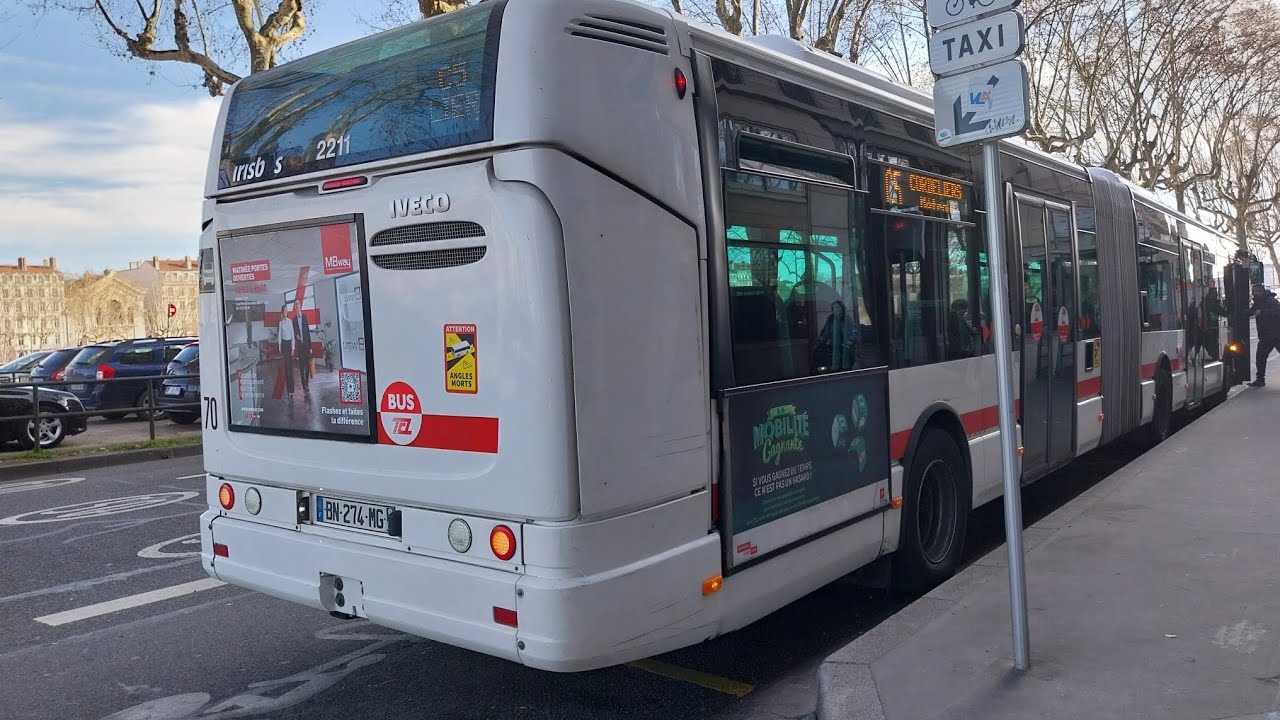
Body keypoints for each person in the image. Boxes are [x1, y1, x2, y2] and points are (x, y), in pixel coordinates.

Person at [1247, 283, 1280, 387]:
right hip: (1266, 336)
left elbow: (1277, 311)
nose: (1253, 294)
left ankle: (1260, 379)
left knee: (1261, 356)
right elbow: (1251, 311)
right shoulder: (1258, 302)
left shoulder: (1271, 300)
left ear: (1261, 291)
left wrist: (1262, 312)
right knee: (1260, 357)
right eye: (1253, 291)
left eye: (1255, 291)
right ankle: (1260, 379)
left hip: (1276, 335)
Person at [815, 300, 859, 371]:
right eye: (834, 307)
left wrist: (850, 341)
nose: (836, 309)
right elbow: (826, 333)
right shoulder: (830, 319)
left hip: (846, 348)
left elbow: (854, 332)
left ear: (842, 308)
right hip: (833, 349)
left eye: (838, 307)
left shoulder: (848, 319)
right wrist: (820, 343)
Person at [292, 303, 313, 399]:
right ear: (295, 308)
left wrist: (311, 347)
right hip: (300, 347)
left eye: (298, 305)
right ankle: (304, 386)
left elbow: (308, 332)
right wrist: (296, 336)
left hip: (306, 346)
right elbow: (294, 332)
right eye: (295, 305)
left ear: (300, 306)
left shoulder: (304, 317)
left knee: (307, 366)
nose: (297, 306)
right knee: (301, 367)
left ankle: (307, 384)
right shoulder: (294, 320)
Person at [278, 303, 296, 397]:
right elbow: (279, 336)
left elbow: (293, 335)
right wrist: (280, 347)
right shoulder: (280, 322)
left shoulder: (289, 321)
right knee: (286, 368)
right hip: (284, 346)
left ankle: (291, 390)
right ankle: (288, 390)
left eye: (286, 310)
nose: (285, 312)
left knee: (290, 369)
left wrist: (293, 348)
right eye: (284, 310)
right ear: (282, 312)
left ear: (287, 312)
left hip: (289, 345)